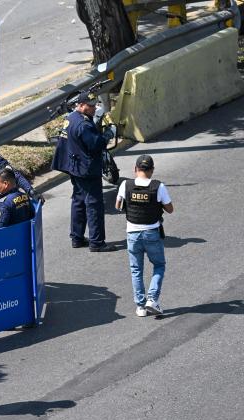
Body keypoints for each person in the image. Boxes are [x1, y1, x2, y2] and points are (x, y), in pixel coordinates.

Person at [51, 90, 117, 252]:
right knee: (94, 204)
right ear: (80, 105)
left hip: (74, 166)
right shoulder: (84, 125)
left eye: (95, 105)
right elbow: (96, 145)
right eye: (90, 106)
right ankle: (97, 242)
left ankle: (77, 237)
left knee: (78, 201)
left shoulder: (71, 118)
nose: (94, 108)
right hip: (86, 169)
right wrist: (108, 134)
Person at [115, 155, 173, 317]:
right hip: (151, 232)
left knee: (136, 270)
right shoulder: (158, 186)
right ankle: (152, 299)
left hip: (132, 233)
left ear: (135, 169)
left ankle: (140, 306)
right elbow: (170, 209)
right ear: (152, 170)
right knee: (159, 265)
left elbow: (118, 206)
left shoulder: (126, 184)